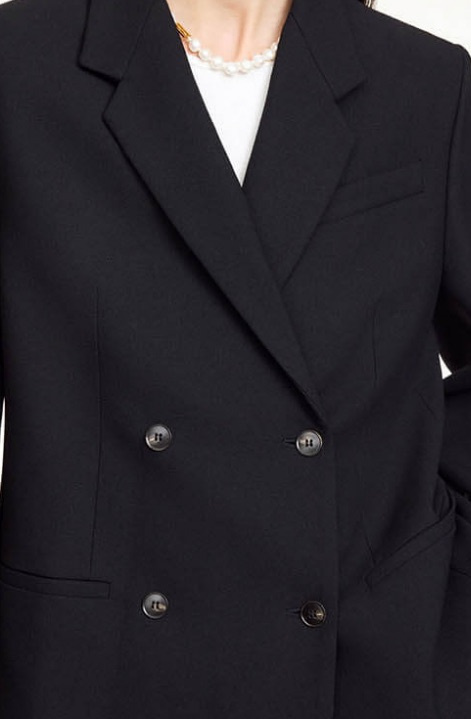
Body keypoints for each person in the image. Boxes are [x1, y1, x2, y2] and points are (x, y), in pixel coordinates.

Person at [0, 0, 470, 717]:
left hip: (359, 666)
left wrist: (432, 575)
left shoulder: (427, 84)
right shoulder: (19, 66)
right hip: (96, 665)